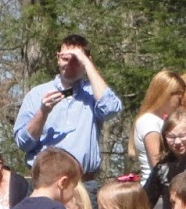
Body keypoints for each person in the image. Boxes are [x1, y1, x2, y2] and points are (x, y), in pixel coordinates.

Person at [12, 34, 123, 181]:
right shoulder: (37, 94)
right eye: (65, 58)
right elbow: (23, 143)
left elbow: (111, 109)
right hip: (46, 182)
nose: (69, 64)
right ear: (58, 58)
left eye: (76, 59)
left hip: (84, 182)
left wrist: (87, 64)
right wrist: (43, 112)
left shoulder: (93, 93)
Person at [131, 70, 186, 209]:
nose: (180, 103)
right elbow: (158, 162)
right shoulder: (149, 122)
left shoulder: (159, 121)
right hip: (157, 199)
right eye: (179, 98)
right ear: (168, 94)